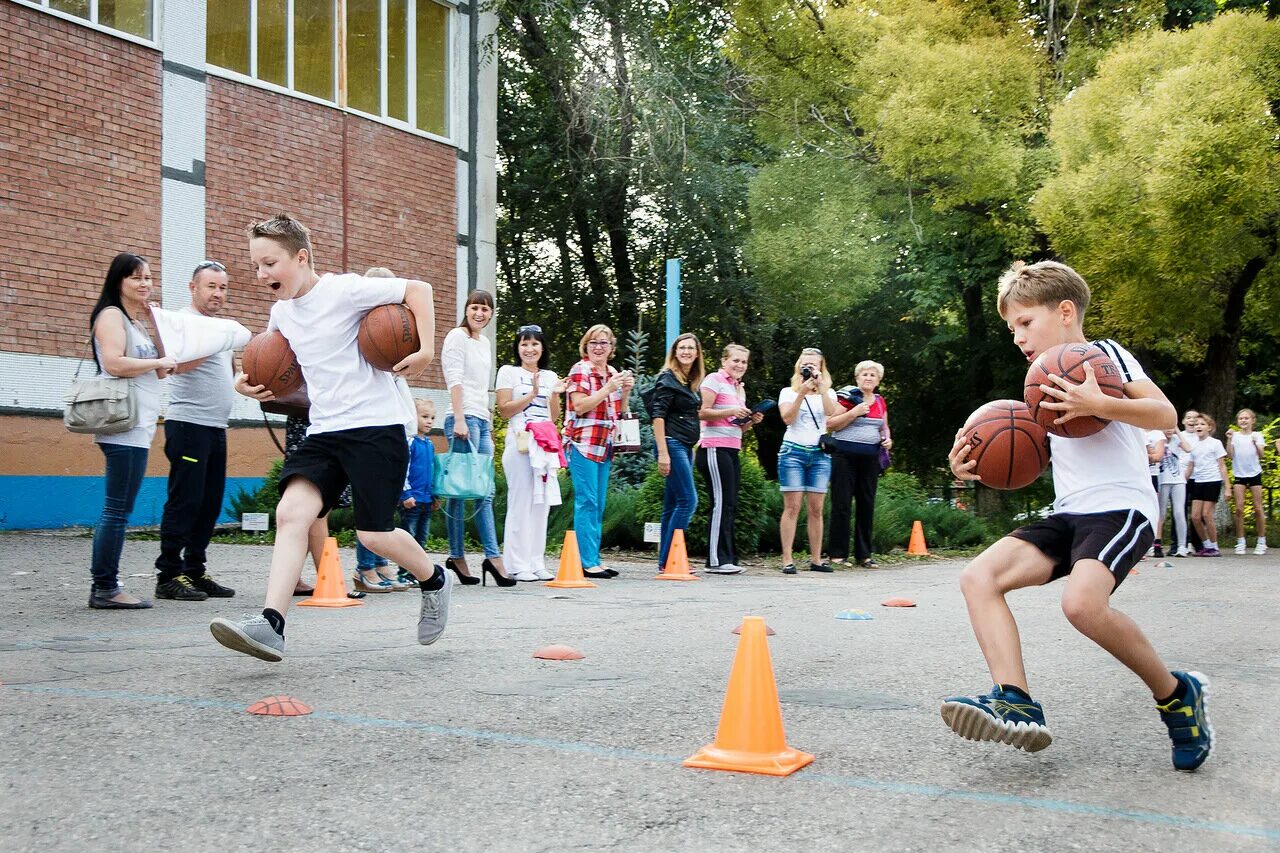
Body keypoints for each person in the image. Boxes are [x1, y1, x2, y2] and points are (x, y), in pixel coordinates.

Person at [945, 260, 1210, 772]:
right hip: (1068, 512)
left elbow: (1165, 415)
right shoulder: (1038, 379)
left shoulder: (1103, 358)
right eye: (1011, 329)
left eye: (1025, 322)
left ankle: (1177, 695)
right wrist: (972, 464)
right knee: (978, 577)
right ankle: (1013, 698)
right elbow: (1024, 452)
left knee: (1083, 606)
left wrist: (1099, 401)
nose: (1017, 336)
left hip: (1121, 508)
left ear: (1065, 311)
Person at [209, 213, 449, 662]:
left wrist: (426, 349)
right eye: (256, 266)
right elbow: (283, 372)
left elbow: (420, 290)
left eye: (270, 263)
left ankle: (434, 578)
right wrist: (249, 384)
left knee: (374, 534)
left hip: (376, 426)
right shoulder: (280, 313)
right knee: (290, 513)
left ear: (301, 257)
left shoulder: (344, 290)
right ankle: (270, 625)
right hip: (325, 429)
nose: (262, 275)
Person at [86, 253, 177, 609]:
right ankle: (106, 587)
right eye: (136, 278)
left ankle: (105, 585)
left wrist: (155, 324)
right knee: (116, 511)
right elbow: (113, 363)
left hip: (137, 428)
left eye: (149, 278)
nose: (145, 284)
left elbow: (162, 371)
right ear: (118, 281)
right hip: (122, 427)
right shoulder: (111, 316)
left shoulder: (135, 322)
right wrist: (156, 361)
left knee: (118, 509)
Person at [150, 260, 239, 601]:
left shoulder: (220, 330)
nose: (217, 293)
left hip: (216, 427)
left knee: (210, 503)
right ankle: (168, 575)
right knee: (185, 500)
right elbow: (175, 365)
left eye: (223, 287)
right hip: (188, 425)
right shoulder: (183, 323)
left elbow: (228, 376)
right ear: (193, 287)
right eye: (211, 286)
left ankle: (195, 571)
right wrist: (213, 342)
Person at [440, 289, 513, 587]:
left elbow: (483, 388)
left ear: (491, 314)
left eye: (485, 309)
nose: (479, 313)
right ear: (466, 310)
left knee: (484, 490)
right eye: (474, 308)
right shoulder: (456, 336)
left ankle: (470, 556)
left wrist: (488, 426)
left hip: (480, 419)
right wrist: (459, 418)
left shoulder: (484, 342)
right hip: (462, 418)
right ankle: (485, 557)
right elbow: (454, 378)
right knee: (459, 492)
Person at [352, 266, 418, 593]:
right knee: (371, 507)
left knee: (384, 508)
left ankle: (380, 564)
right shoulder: (364, 336)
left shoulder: (390, 334)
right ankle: (365, 568)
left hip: (395, 434)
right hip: (369, 432)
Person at [564, 324, 634, 578]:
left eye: (604, 343)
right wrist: (607, 388)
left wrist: (624, 391)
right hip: (583, 443)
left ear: (611, 348)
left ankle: (594, 557)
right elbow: (580, 405)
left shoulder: (613, 372)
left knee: (599, 503)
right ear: (586, 345)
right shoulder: (580, 370)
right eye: (593, 342)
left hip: (605, 445)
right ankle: (585, 561)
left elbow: (618, 410)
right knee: (587, 501)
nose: (598, 347)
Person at [495, 324, 563, 582]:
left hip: (545, 444)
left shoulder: (550, 375)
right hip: (521, 440)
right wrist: (532, 394)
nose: (529, 348)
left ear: (542, 347)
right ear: (518, 347)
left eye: (534, 344)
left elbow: (553, 416)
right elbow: (504, 410)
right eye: (524, 343)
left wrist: (554, 394)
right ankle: (516, 563)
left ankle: (536, 561)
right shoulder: (508, 372)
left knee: (541, 503)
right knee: (521, 502)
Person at [696, 344, 763, 574]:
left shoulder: (737, 389)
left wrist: (751, 420)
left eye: (744, 362)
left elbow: (737, 427)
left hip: (732, 448)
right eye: (735, 360)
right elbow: (703, 412)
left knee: (730, 503)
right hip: (713, 448)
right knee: (721, 503)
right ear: (724, 361)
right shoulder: (714, 380)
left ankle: (728, 557)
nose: (740, 365)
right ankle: (715, 560)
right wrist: (732, 411)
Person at [776, 348, 839, 575]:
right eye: (807, 365)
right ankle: (787, 559)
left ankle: (816, 559)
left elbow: (832, 414)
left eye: (815, 365)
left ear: (821, 368)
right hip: (793, 452)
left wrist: (821, 388)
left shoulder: (829, 392)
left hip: (819, 455)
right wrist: (802, 392)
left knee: (816, 509)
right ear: (799, 366)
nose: (811, 369)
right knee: (792, 507)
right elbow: (787, 419)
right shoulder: (788, 392)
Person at [826, 360, 893, 569]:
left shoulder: (880, 401)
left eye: (873, 375)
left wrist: (888, 439)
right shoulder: (846, 398)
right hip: (844, 456)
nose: (868, 378)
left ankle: (864, 555)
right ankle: (837, 554)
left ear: (878, 380)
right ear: (857, 377)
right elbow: (830, 423)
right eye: (864, 374)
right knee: (842, 504)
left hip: (870, 459)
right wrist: (854, 412)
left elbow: (884, 427)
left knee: (866, 505)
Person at [650, 333, 705, 574]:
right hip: (671, 444)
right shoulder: (668, 378)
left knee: (672, 504)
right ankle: (673, 557)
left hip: (684, 445)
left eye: (691, 348)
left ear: (697, 353)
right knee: (688, 500)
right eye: (682, 348)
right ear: (674, 352)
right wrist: (663, 453)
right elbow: (658, 416)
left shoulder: (689, 382)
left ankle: (666, 562)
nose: (686, 352)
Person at [396, 398, 441, 584]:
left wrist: (434, 494)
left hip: (425, 500)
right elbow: (403, 469)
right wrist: (406, 493)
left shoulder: (429, 444)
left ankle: (417, 572)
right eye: (424, 416)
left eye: (432, 417)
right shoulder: (411, 442)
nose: (429, 421)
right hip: (412, 499)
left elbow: (431, 471)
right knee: (409, 538)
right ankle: (403, 572)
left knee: (421, 539)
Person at [1185, 414, 1227, 557]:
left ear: (1209, 427)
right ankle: (1207, 545)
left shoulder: (1215, 443)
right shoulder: (1193, 445)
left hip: (1213, 481)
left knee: (1206, 514)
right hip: (1199, 481)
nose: (1198, 426)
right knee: (1195, 517)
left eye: (1202, 424)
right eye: (1196, 424)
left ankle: (1215, 546)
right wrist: (1183, 481)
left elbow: (1222, 466)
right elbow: (1190, 466)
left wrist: (1227, 487)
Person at [1226, 408, 1267, 555]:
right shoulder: (1235, 435)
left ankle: (1261, 541)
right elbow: (1230, 456)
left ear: (1252, 420)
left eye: (1246, 418)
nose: (1243, 421)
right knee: (1239, 508)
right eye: (1241, 418)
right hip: (1239, 474)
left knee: (1258, 508)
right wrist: (1229, 439)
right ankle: (1240, 541)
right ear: (1238, 421)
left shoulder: (1258, 435)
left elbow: (1261, 455)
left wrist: (1256, 443)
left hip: (1255, 474)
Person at [1157, 428, 1190, 558]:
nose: (1169, 430)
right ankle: (1155, 544)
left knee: (1179, 512)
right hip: (1163, 480)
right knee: (1161, 513)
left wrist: (1177, 430)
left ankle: (1182, 545)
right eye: (1167, 427)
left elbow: (1188, 448)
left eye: (1171, 427)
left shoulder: (1176, 439)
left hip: (1178, 481)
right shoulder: (1158, 439)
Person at [1179, 410, 1204, 554]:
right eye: (1188, 417)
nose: (1192, 420)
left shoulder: (1201, 436)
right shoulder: (1179, 435)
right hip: (1180, 477)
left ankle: (1197, 543)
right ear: (1183, 421)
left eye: (1195, 418)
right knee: (1181, 510)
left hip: (1198, 477)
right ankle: (1182, 542)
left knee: (1197, 513)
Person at [1143, 429, 1166, 556]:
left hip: (1152, 475)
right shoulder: (1137, 430)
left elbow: (1158, 457)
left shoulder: (1157, 434)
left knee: (1152, 509)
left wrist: (1144, 454)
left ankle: (1154, 543)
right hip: (1137, 475)